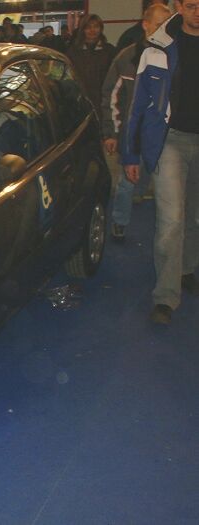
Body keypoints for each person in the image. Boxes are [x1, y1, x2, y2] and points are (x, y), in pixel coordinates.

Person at [122, 2, 199, 325]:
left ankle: (186, 269)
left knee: (193, 216)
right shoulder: (159, 45)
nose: (198, 11)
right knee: (171, 219)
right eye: (192, 5)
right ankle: (166, 297)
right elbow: (137, 102)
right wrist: (129, 152)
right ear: (179, 7)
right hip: (171, 141)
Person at [102, 3, 172, 242]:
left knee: (169, 189)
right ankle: (120, 222)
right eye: (158, 24)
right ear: (145, 25)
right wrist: (111, 132)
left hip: (167, 136)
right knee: (126, 183)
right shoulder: (127, 57)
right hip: (135, 134)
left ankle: (169, 233)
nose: (163, 29)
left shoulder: (175, 57)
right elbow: (111, 95)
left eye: (167, 24)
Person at [67, 14, 116, 115]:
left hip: (104, 102)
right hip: (79, 103)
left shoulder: (109, 51)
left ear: (101, 28)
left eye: (96, 26)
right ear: (82, 29)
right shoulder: (73, 52)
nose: (92, 30)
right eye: (88, 27)